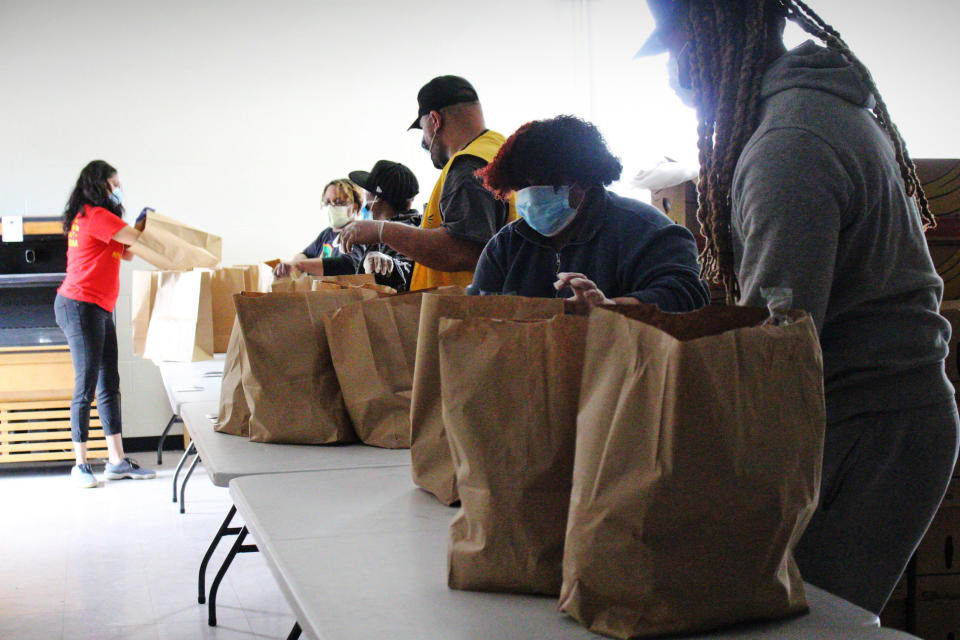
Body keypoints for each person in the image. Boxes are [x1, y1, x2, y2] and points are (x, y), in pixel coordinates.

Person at [639, 0, 958, 614]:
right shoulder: (803, 113)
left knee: (809, 626)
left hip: (873, 428)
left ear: (709, 40)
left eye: (674, 50)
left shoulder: (789, 146)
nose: (673, 72)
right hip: (869, 416)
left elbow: (773, 348)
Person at [471, 115, 709, 312]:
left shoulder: (648, 231)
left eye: (543, 183)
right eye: (521, 186)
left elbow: (686, 294)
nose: (531, 196)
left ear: (584, 178)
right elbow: (476, 312)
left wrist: (607, 308)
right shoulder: (505, 247)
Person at [339, 76, 515, 289]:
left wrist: (382, 231)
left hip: (465, 313)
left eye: (423, 129)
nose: (424, 141)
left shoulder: (467, 167)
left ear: (434, 120)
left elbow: (462, 250)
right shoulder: (498, 151)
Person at [56, 160, 157, 487]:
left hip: (98, 307)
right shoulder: (95, 215)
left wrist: (141, 226)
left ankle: (116, 461)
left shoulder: (100, 218)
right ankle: (80, 464)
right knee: (85, 385)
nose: (117, 190)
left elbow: (126, 252)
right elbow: (134, 240)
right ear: (99, 186)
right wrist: (146, 225)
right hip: (79, 306)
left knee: (108, 383)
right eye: (113, 185)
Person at [347, 160, 422, 292]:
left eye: (367, 193)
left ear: (377, 197)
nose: (365, 201)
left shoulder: (399, 233)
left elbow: (408, 268)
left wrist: (389, 265)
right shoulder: (379, 232)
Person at [274, 178, 365, 277]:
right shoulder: (327, 234)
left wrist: (300, 265)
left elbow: (348, 265)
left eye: (338, 202)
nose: (331, 207)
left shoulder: (357, 234)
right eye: (327, 202)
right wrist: (291, 264)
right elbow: (306, 254)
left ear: (355, 207)